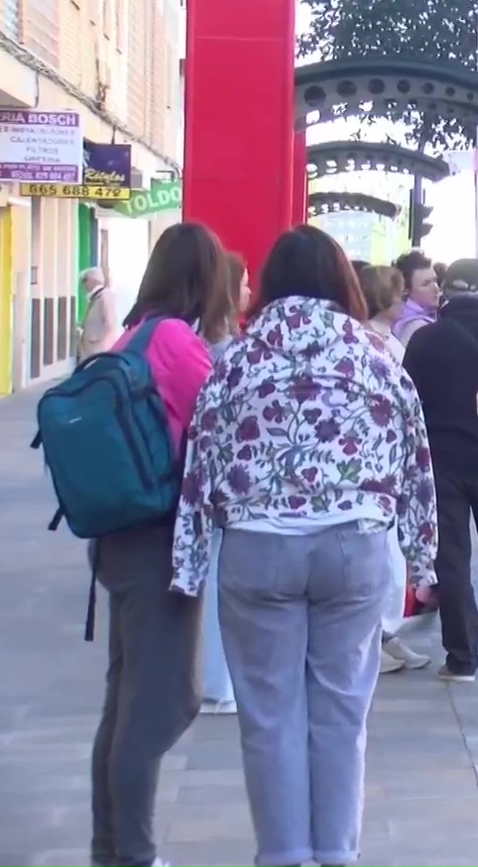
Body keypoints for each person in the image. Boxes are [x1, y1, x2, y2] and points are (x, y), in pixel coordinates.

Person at [173, 225, 437, 867]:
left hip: (257, 546)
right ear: (343, 285)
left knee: (269, 713)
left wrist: (188, 566)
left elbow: (199, 464)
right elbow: (416, 462)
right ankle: (337, 852)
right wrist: (422, 559)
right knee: (342, 711)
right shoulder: (377, 358)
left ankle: (284, 854)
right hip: (354, 545)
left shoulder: (236, 361)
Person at [89, 222, 234, 867]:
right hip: (156, 542)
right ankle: (135, 853)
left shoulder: (135, 332)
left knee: (124, 701)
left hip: (120, 538)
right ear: (205, 279)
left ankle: (112, 848)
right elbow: (225, 419)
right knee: (162, 702)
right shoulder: (175, 339)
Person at [401, 257, 478, 682]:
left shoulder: (426, 340)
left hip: (441, 461)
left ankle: (461, 657)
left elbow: (407, 401)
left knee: (451, 559)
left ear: (447, 290)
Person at [358, 262, 432, 674]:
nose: (404, 301)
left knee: (393, 558)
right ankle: (378, 636)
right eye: (398, 294)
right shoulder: (370, 343)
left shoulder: (386, 338)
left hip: (393, 461)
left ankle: (387, 634)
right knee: (385, 557)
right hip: (382, 463)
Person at [197, 251, 253, 717]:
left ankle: (221, 680)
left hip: (214, 485)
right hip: (223, 488)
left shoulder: (209, 345)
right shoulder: (224, 352)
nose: (251, 291)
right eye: (245, 282)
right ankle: (220, 682)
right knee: (220, 584)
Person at [392, 251, 441, 344]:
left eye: (435, 280)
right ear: (405, 290)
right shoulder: (415, 327)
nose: (436, 288)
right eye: (426, 284)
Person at [78, 266, 117, 361]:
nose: (83, 284)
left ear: (93, 280)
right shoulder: (95, 297)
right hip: (92, 349)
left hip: (99, 349)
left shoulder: (105, 296)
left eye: (85, 280)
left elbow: (110, 322)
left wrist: (95, 338)